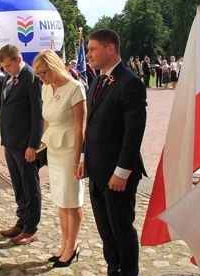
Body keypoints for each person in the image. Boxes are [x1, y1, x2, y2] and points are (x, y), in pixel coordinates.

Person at [77, 29, 147, 276]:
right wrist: (84, 157)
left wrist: (122, 171)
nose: (88, 54)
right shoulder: (97, 80)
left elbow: (134, 133)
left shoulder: (131, 83)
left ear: (110, 49)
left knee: (121, 230)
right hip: (97, 170)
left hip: (118, 174)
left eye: (93, 48)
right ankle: (113, 270)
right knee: (106, 232)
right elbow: (91, 123)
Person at [33, 50, 86, 268]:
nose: (42, 78)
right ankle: (64, 243)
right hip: (54, 148)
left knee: (72, 200)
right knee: (60, 200)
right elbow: (47, 119)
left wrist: (79, 159)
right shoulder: (46, 87)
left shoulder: (75, 88)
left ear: (55, 66)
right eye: (38, 74)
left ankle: (72, 246)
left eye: (44, 73)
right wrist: (42, 145)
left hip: (70, 148)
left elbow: (80, 126)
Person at [0, 44, 43, 245]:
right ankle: (21, 221)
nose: (5, 69)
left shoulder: (31, 78)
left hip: (25, 144)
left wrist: (33, 145)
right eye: (3, 66)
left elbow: (37, 115)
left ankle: (31, 228)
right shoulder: (10, 77)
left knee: (30, 187)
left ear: (18, 59)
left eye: (8, 65)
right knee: (18, 186)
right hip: (10, 142)